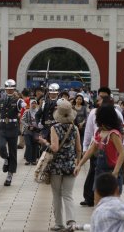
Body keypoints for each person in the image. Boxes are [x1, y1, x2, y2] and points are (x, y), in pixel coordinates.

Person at [38, 99, 81, 231]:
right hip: (70, 165)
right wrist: (77, 163)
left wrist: (44, 142)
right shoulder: (74, 128)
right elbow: (78, 149)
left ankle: (59, 224)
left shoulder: (54, 128)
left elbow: (55, 148)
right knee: (68, 194)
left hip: (56, 165)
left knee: (57, 194)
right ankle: (71, 223)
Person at [80, 87, 124, 207]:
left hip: (112, 170)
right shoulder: (100, 132)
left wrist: (115, 173)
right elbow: (92, 149)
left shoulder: (114, 134)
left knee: (113, 201)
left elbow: (122, 154)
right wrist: (79, 164)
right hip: (99, 170)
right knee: (97, 201)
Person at [0, 79, 25, 186]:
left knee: (13, 152)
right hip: (3, 127)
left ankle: (10, 175)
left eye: (11, 89)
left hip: (13, 127)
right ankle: (6, 158)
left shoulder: (18, 100)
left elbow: (23, 106)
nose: (9, 90)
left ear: (14, 89)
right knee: (1, 147)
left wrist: (22, 104)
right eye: (7, 89)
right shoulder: (0, 100)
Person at [21, 99, 39, 165]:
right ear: (30, 104)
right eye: (32, 103)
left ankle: (34, 160)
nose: (33, 105)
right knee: (28, 145)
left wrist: (38, 126)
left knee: (35, 145)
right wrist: (28, 126)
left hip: (36, 131)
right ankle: (28, 160)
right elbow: (22, 120)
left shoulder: (38, 112)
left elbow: (41, 121)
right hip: (27, 131)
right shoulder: (27, 111)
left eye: (35, 103)